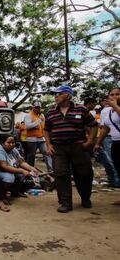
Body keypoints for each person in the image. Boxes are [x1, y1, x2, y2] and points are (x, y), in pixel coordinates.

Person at [44, 85, 98, 213]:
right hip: (59, 148)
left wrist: (90, 141)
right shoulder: (51, 112)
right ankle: (65, 203)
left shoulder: (81, 109)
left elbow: (94, 125)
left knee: (84, 173)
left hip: (78, 146)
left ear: (67, 95)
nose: (55, 96)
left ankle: (85, 198)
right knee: (61, 174)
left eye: (58, 94)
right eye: (55, 94)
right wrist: (49, 145)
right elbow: (46, 130)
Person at [0, 135, 38, 212]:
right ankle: (2, 196)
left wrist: (32, 169)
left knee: (27, 177)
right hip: (0, 171)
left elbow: (22, 163)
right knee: (9, 178)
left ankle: (15, 192)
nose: (11, 144)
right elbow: (4, 167)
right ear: (3, 143)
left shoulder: (14, 150)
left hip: (12, 169)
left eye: (13, 142)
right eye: (8, 142)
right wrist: (22, 171)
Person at [95, 87, 120, 205]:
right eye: (112, 95)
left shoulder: (115, 108)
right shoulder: (107, 111)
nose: (114, 97)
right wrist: (98, 143)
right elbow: (105, 128)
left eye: (117, 94)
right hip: (115, 142)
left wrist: (115, 105)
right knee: (118, 168)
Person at [23, 101, 53, 174]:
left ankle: (51, 170)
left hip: (41, 138)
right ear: (33, 107)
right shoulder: (28, 115)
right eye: (36, 107)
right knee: (31, 156)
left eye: (39, 108)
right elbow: (27, 126)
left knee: (46, 153)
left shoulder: (42, 115)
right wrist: (38, 121)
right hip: (31, 139)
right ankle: (31, 170)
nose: (37, 109)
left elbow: (44, 126)